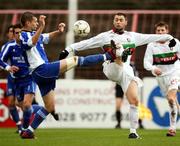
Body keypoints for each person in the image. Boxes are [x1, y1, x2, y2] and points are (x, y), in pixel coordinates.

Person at [59, 13, 176, 139]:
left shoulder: (133, 37)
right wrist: (68, 48)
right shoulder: (105, 36)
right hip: (111, 68)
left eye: (121, 20)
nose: (118, 22)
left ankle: (133, 132)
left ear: (126, 22)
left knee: (135, 101)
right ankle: (119, 53)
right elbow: (87, 43)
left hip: (126, 71)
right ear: (113, 22)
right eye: (116, 20)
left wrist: (170, 37)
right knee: (119, 51)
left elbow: (151, 37)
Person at [19, 11, 116, 139]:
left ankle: (29, 131)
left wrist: (58, 31)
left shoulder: (33, 34)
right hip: (41, 70)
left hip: (42, 74)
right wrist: (42, 26)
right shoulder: (23, 35)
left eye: (38, 22)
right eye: (35, 21)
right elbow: (31, 42)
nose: (37, 23)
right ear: (27, 22)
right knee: (75, 60)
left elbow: (46, 37)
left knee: (49, 107)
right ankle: (109, 55)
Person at [143, 21, 180, 136]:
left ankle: (172, 129)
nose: (160, 32)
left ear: (167, 31)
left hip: (175, 72)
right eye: (158, 31)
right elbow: (146, 63)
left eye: (162, 30)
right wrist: (154, 69)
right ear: (155, 32)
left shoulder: (175, 42)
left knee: (171, 98)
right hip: (161, 78)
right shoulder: (151, 45)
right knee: (172, 102)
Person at [0, 24, 37, 131]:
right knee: (16, 103)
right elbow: (1, 60)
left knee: (26, 104)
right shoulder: (9, 46)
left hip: (29, 78)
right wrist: (8, 67)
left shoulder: (29, 45)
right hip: (15, 79)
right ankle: (37, 111)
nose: (19, 35)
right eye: (16, 33)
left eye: (21, 33)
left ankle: (25, 129)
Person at [0, 24, 22, 133]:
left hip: (23, 78)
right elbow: (1, 62)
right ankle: (19, 127)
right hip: (11, 78)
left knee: (22, 103)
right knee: (11, 102)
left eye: (15, 31)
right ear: (9, 34)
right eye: (10, 31)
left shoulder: (23, 44)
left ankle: (38, 111)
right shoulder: (6, 46)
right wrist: (8, 68)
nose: (12, 33)